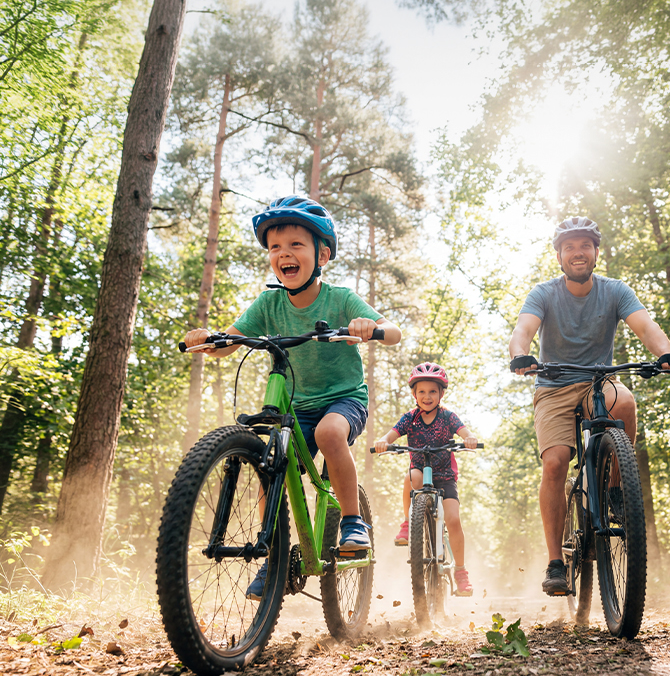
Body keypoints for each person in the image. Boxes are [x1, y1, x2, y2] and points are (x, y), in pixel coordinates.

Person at [182, 194, 402, 595]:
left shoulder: (340, 298)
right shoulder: (269, 303)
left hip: (342, 400)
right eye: (274, 247)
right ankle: (277, 557)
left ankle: (353, 521)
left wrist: (370, 327)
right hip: (297, 407)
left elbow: (393, 331)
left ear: (323, 254)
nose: (283, 253)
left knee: (330, 435)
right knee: (271, 470)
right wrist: (208, 339)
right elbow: (231, 340)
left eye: (296, 245)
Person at [508, 216, 670, 596]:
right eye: (569, 247)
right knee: (555, 462)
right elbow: (523, 330)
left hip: (599, 381)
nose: (578, 253)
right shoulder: (544, 293)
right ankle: (555, 563)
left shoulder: (615, 291)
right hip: (553, 386)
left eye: (585, 246)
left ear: (596, 253)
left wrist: (665, 353)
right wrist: (521, 354)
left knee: (626, 403)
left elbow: (646, 326)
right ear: (559, 256)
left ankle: (616, 489)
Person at [374, 363, 479, 597]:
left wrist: (469, 438)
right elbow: (391, 434)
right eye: (421, 391)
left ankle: (461, 572)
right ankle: (408, 523)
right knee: (411, 475)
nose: (427, 396)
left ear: (441, 394)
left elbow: (463, 431)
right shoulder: (409, 418)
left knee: (453, 520)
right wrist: (383, 441)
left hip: (445, 476)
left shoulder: (447, 417)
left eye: (433, 391)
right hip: (420, 472)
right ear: (414, 394)